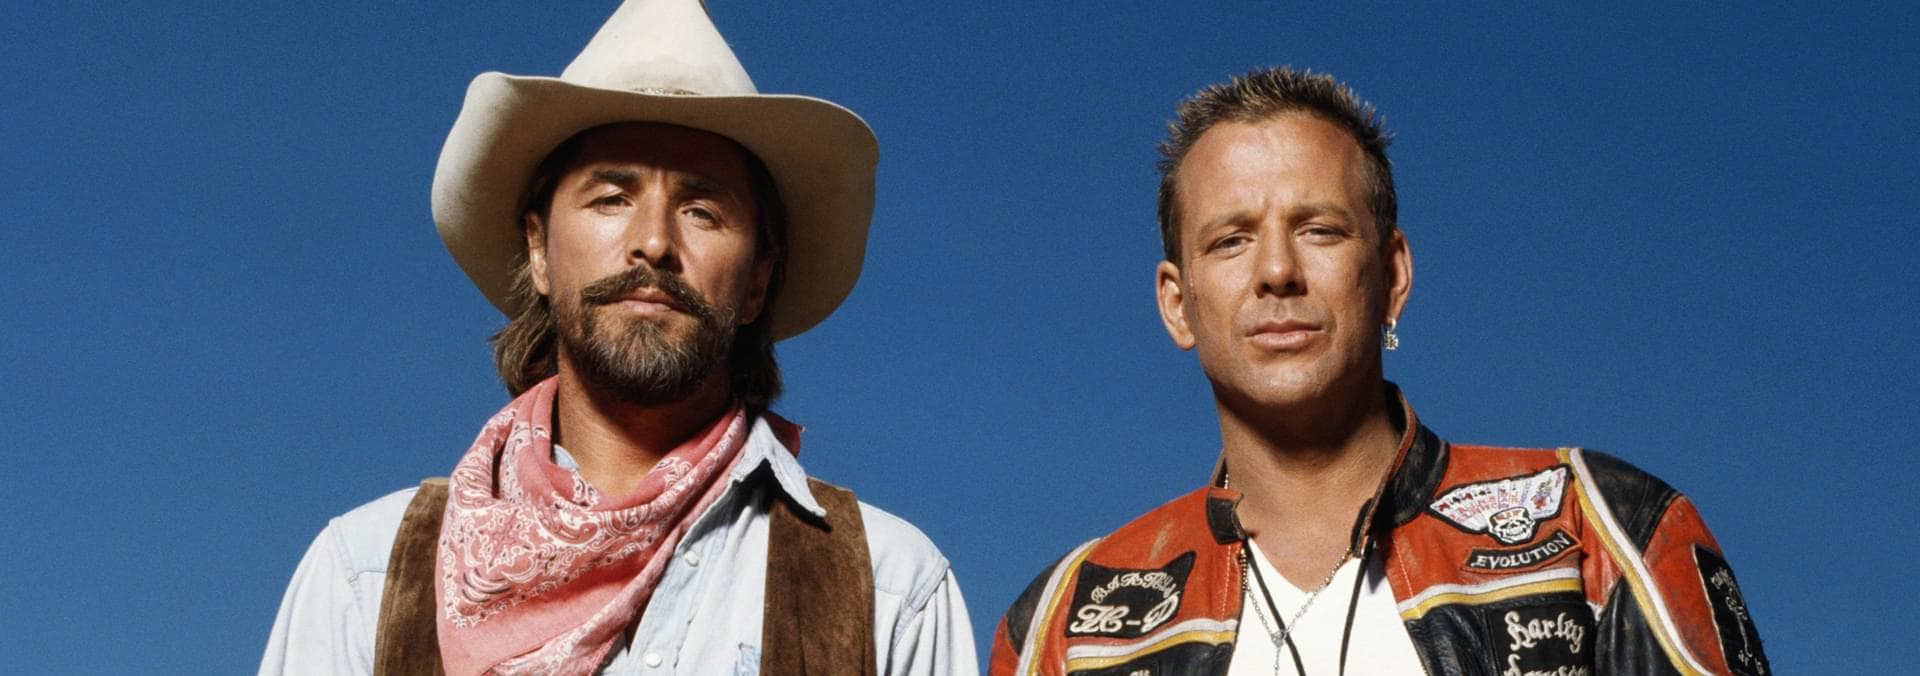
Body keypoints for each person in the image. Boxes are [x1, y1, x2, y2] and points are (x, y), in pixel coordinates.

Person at [259, 2, 976, 674]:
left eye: (702, 210)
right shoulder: (366, 575)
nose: (654, 242)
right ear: (538, 249)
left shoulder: (889, 588)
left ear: (758, 280)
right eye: (611, 198)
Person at [990, 67, 1767, 676]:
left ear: (1393, 275)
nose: (1276, 271)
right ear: (1177, 303)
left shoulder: (1597, 530)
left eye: (1320, 229)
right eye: (1230, 240)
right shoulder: (1068, 622)